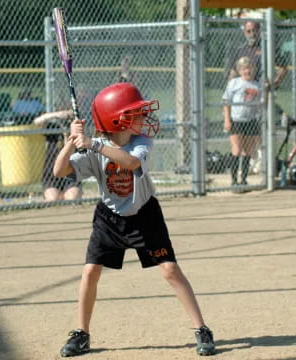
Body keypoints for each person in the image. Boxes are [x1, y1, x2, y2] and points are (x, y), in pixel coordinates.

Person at [53, 82, 216, 357]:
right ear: (117, 120)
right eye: (134, 113)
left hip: (145, 214)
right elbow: (59, 171)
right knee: (90, 271)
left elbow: (131, 164)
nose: (142, 117)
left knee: (169, 270)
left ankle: (202, 329)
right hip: (108, 218)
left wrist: (93, 144)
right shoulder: (94, 149)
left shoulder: (142, 142)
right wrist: (71, 142)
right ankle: (81, 333)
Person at [223, 56, 262, 187]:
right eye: (244, 69)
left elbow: (262, 103)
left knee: (248, 151)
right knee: (237, 149)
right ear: (239, 71)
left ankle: (243, 179)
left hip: (250, 120)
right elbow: (226, 102)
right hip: (236, 120)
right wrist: (227, 120)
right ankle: (234, 180)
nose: (247, 71)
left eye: (249, 68)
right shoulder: (234, 83)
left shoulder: (257, 85)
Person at [33, 110, 82, 201]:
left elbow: (69, 152)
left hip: (70, 173)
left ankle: (71, 192)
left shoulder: (76, 131)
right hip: (51, 173)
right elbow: (37, 122)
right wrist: (56, 115)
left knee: (72, 198)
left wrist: (66, 133)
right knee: (53, 199)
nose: (65, 118)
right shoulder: (53, 127)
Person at [225, 20, 287, 89]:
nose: (252, 34)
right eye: (248, 31)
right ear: (244, 32)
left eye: (254, 30)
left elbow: (283, 68)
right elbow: (233, 72)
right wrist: (229, 87)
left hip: (261, 90)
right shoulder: (239, 50)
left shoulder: (268, 48)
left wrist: (275, 83)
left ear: (259, 31)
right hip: (243, 90)